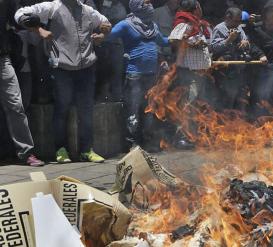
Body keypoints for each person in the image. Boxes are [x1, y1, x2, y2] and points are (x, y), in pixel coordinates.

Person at [15, 0, 112, 163]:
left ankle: (86, 150)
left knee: (86, 111)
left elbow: (106, 23)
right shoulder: (52, 8)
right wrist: (39, 30)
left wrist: (102, 34)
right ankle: (60, 149)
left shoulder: (88, 10)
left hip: (86, 68)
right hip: (62, 68)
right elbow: (20, 14)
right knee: (62, 110)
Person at [108, 0, 169, 149]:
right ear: (136, 6)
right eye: (146, 3)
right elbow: (109, 36)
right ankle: (131, 144)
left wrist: (177, 39)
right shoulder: (125, 24)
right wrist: (101, 32)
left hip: (151, 75)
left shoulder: (152, 26)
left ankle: (147, 142)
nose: (150, 6)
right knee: (133, 111)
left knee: (148, 110)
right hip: (134, 75)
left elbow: (163, 41)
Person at [0, 0, 44, 166]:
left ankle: (26, 152)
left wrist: (35, 25)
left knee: (15, 105)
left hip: (2, 58)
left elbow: (15, 20)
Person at [168, 0, 212, 149]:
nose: (201, 8)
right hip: (188, 72)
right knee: (187, 105)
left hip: (199, 72)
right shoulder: (184, 22)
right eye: (199, 6)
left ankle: (192, 136)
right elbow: (174, 39)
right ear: (195, 9)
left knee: (196, 106)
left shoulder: (197, 24)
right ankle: (181, 138)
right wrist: (191, 42)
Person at [211, 7, 267, 111]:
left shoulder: (239, 27)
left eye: (239, 21)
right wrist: (228, 40)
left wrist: (245, 42)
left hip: (239, 71)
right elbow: (214, 49)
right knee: (225, 101)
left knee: (240, 101)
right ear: (228, 18)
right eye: (236, 21)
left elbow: (245, 41)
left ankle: (237, 124)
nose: (238, 24)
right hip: (225, 73)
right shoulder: (219, 29)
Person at [246, 0, 273, 120]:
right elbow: (250, 44)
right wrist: (260, 54)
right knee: (260, 99)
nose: (272, 14)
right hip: (260, 69)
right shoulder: (256, 27)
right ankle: (259, 128)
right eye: (270, 11)